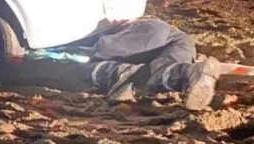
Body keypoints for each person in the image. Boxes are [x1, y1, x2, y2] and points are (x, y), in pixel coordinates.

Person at [81, 16, 221, 111]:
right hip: (179, 38)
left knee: (91, 64)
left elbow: (102, 47)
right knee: (161, 74)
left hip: (147, 31)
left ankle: (123, 75)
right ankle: (190, 72)